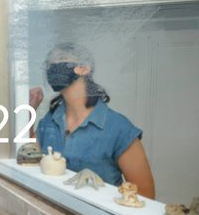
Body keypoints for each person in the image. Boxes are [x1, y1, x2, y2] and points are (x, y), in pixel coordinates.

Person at [30, 43, 155, 198]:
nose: (53, 67)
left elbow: (145, 196)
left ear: (84, 68)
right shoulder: (49, 122)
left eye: (61, 59)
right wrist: (30, 109)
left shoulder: (119, 128)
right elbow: (29, 159)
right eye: (49, 64)